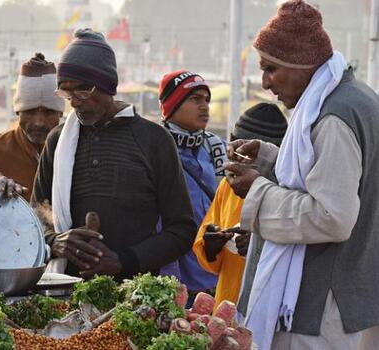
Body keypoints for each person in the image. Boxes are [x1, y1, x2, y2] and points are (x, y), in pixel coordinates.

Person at [225, 1, 379, 349]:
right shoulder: (351, 97)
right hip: (348, 291)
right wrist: (268, 160)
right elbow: (330, 173)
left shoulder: (333, 117)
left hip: (322, 303)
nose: (265, 82)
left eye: (271, 69)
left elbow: (332, 217)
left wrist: (258, 191)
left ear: (301, 65)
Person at [31, 29, 196, 280]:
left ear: (108, 85)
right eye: (66, 92)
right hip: (65, 293)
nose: (74, 101)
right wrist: (55, 241)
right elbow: (33, 218)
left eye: (83, 90)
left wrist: (123, 261)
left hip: (135, 298)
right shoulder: (58, 140)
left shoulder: (154, 140)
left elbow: (182, 230)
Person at [192, 103, 287, 310]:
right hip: (226, 303)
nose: (235, 160)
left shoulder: (286, 191)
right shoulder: (228, 186)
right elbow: (206, 250)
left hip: (268, 307)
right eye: (233, 150)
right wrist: (211, 246)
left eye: (244, 156)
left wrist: (258, 244)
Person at [156, 70, 227, 302]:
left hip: (219, 279)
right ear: (172, 105)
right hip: (178, 282)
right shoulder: (155, 150)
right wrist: (172, 287)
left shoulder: (217, 149)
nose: (204, 107)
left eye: (207, 100)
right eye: (195, 99)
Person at [0, 53, 65, 200]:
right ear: (17, 111)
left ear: (60, 113)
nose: (39, 122)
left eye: (48, 113)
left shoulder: (73, 152)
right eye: (30, 112)